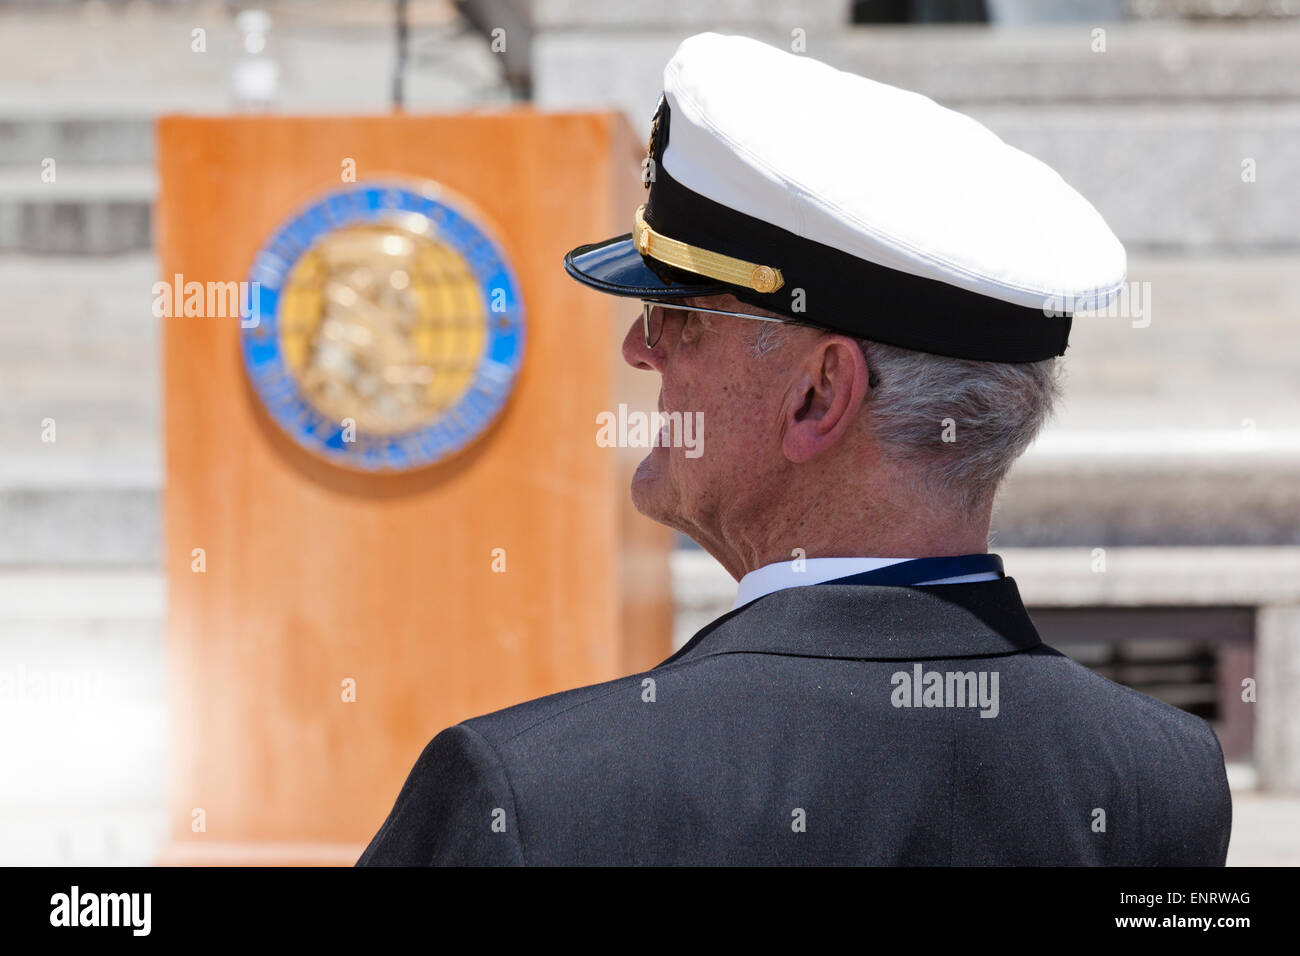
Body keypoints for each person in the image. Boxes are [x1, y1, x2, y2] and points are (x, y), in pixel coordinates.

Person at [357, 32, 1231, 866]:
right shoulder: (1163, 779)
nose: (638, 347)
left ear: (819, 394)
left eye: (676, 315)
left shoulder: (532, 793)